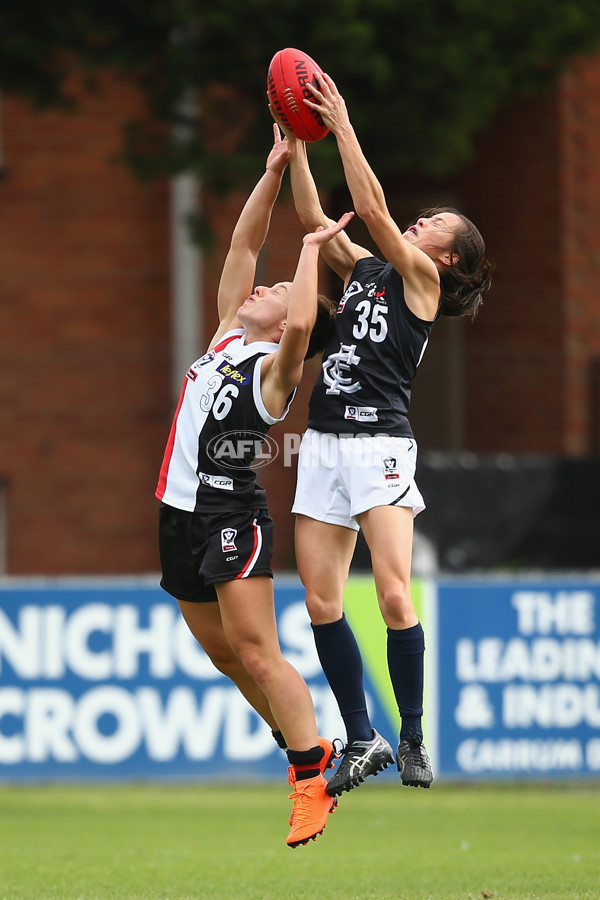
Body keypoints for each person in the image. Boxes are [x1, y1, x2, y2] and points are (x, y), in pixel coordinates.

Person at [277, 72, 493, 797]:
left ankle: (413, 738)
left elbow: (368, 206)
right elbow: (318, 218)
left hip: (380, 447)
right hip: (326, 443)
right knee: (320, 602)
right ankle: (361, 739)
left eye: (435, 222)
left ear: (448, 258)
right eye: (425, 213)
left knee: (396, 598)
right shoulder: (370, 270)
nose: (421, 220)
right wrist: (296, 142)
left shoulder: (421, 286)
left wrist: (339, 120)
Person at [155, 122, 353, 846]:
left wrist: (308, 254)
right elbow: (240, 247)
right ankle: (298, 741)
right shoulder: (229, 337)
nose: (259, 287)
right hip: (176, 516)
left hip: (230, 516)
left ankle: (312, 775)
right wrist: (274, 170)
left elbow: (302, 320)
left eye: (273, 291)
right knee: (224, 656)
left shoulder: (273, 372)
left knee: (258, 649)